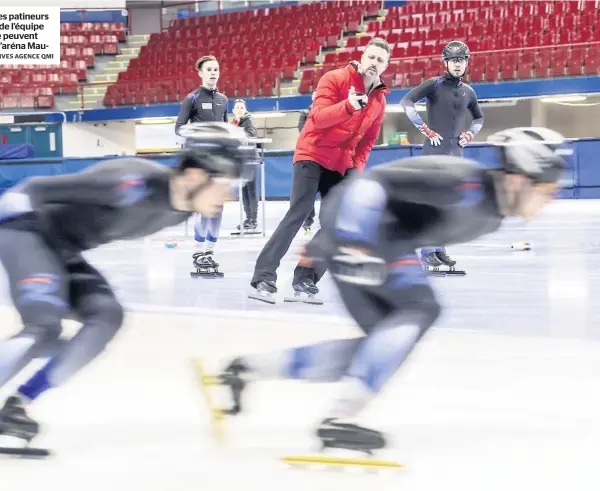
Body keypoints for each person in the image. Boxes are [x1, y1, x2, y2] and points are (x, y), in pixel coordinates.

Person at [202, 127, 569, 461]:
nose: (550, 200)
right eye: (548, 190)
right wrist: (351, 239)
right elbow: (370, 184)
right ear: (522, 179)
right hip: (360, 230)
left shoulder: (493, 213)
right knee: (422, 309)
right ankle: (338, 418)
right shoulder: (466, 183)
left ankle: (246, 370)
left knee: (382, 344)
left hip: (369, 240)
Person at [0, 122, 257, 464]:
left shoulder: (177, 212)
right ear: (197, 176)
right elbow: (35, 187)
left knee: (107, 316)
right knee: (44, 327)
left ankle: (18, 406)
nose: (229, 197)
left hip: (63, 250)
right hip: (26, 234)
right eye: (228, 185)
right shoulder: (130, 183)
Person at [249, 37, 391, 305]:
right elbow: (318, 118)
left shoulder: (380, 101)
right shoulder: (335, 78)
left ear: (386, 66)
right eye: (370, 57)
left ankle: (306, 277)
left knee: (338, 222)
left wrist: (355, 170)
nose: (374, 63)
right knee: (299, 211)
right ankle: (264, 275)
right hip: (312, 153)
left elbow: (368, 141)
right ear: (362, 58)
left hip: (341, 164)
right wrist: (348, 105)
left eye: (380, 60)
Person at [400, 40, 484, 276]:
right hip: (433, 154)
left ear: (467, 62)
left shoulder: (469, 91)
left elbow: (479, 118)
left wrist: (470, 133)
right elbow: (406, 101)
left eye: (462, 60)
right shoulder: (433, 85)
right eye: (454, 60)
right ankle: (427, 250)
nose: (458, 65)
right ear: (446, 62)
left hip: (456, 157)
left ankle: (439, 249)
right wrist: (424, 128)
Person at [175, 55, 229, 277]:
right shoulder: (192, 98)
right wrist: (199, 137)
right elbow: (179, 128)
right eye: (209, 69)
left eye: (216, 69)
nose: (213, 73)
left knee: (218, 207)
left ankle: (209, 252)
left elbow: (225, 128)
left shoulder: (224, 99)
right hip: (200, 159)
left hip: (219, 160)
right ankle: (198, 253)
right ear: (200, 73)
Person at [232, 99, 261, 233]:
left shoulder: (248, 120)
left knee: (251, 191)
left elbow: (251, 134)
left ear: (245, 110)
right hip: (241, 160)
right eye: (236, 108)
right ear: (233, 111)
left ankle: (253, 219)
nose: (239, 109)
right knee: (244, 191)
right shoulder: (235, 123)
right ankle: (248, 218)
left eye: (241, 107)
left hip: (250, 159)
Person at [297, 89, 318, 234]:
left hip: (328, 156)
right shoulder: (304, 114)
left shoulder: (332, 111)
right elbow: (303, 131)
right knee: (308, 191)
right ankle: (307, 222)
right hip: (310, 156)